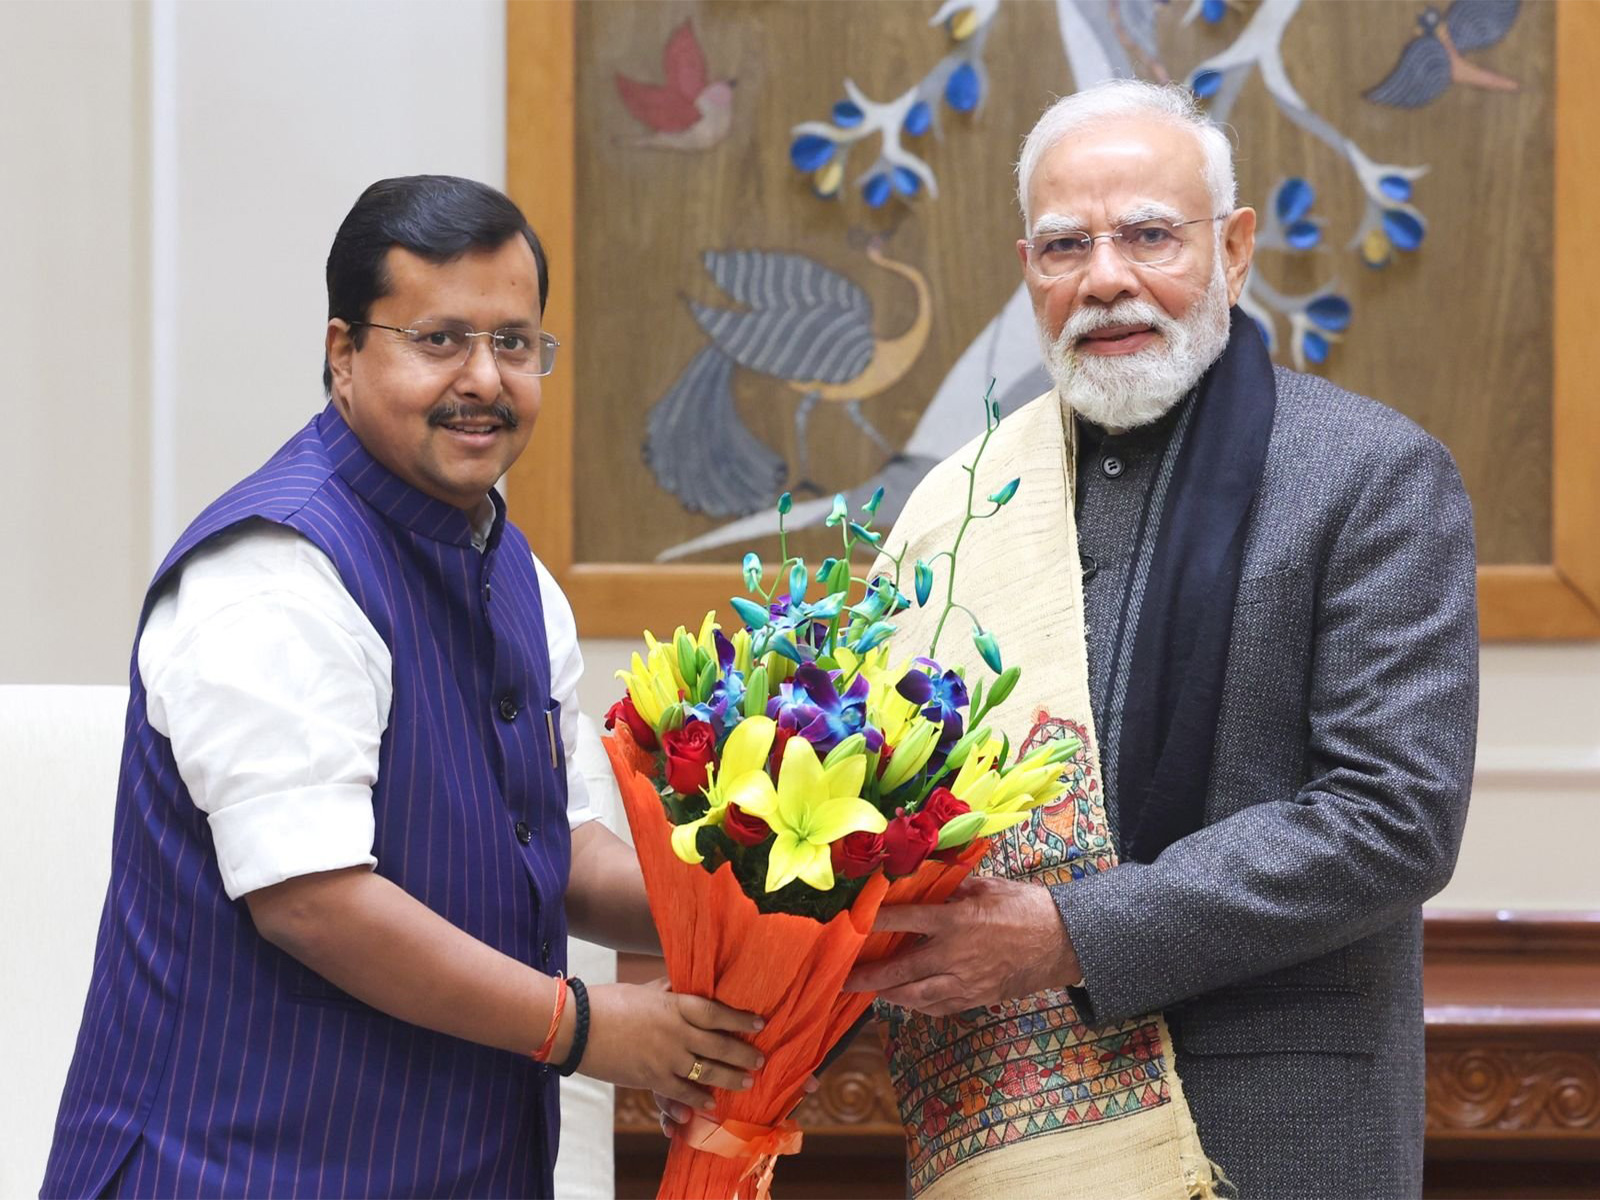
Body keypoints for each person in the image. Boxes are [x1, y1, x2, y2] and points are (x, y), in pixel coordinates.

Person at [43, 175, 762, 1199]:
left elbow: (561, 850)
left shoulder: (517, 577)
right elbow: (314, 904)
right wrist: (590, 1028)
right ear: (343, 353)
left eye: (514, 343)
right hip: (228, 1171)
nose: (484, 378)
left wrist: (785, 904)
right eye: (439, 340)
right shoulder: (272, 572)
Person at [841, 81, 1479, 1199]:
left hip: (1265, 1133)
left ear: (1232, 251)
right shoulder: (964, 503)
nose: (1104, 279)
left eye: (1148, 235)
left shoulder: (1368, 476)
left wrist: (1069, 935)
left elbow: (1393, 818)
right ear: (1026, 269)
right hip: (1002, 1121)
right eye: (1062, 246)